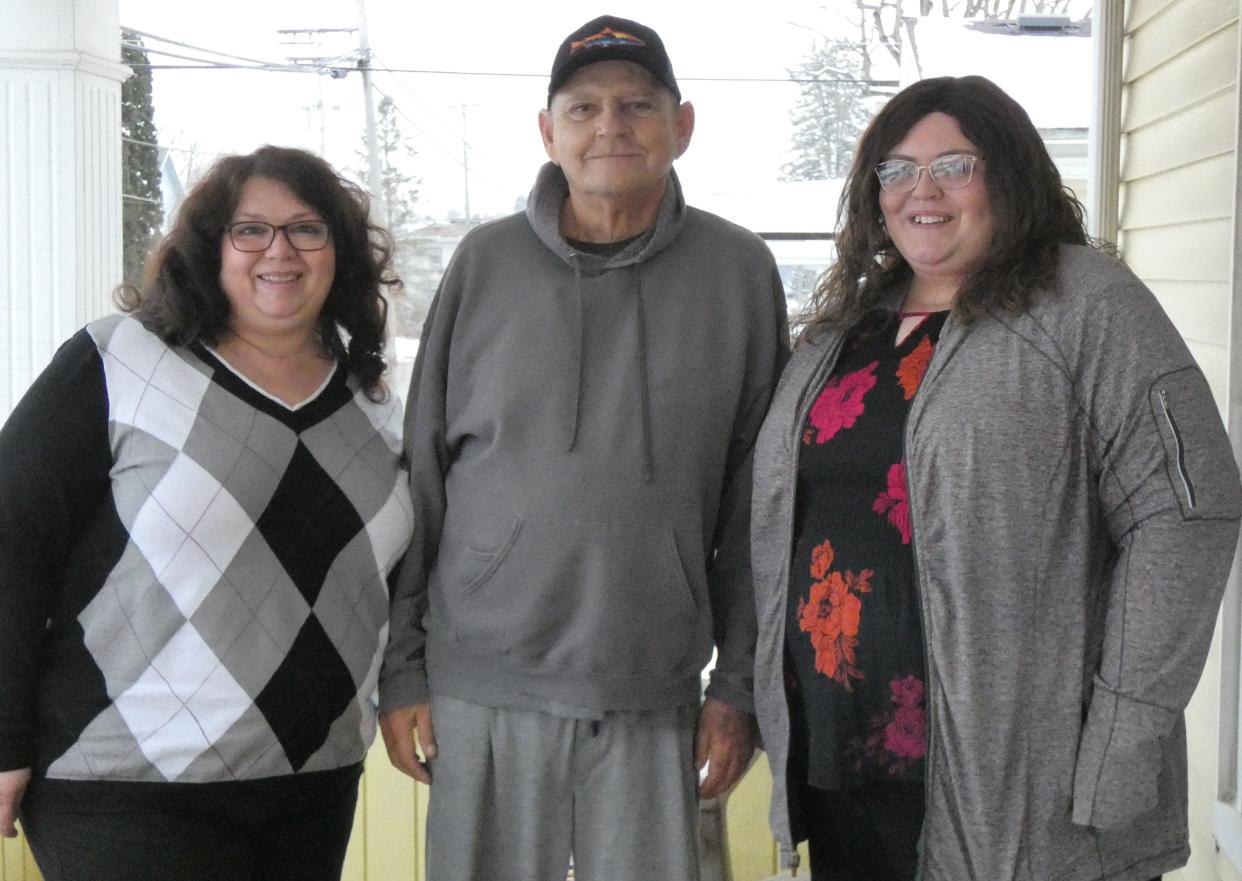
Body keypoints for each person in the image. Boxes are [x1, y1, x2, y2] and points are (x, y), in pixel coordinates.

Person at [750, 75, 1242, 881]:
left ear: (1010, 174)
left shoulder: (1084, 304)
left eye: (954, 165)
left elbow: (1188, 511)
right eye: (898, 170)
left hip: (1023, 779)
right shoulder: (847, 328)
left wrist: (1126, 726)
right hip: (844, 756)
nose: (923, 191)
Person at [377, 14, 788, 881]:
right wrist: (403, 670)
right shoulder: (483, 265)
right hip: (483, 683)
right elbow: (425, 478)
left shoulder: (739, 274)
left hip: (656, 686)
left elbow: (760, 501)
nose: (611, 126)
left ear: (682, 126)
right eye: (585, 106)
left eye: (638, 104)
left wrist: (739, 687)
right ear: (547, 131)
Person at [0, 145, 413, 881]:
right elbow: (11, 541)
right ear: (210, 247)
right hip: (126, 783)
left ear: (339, 252)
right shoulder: (119, 360)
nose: (278, 250)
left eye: (306, 229)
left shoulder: (375, 401)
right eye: (249, 229)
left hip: (311, 780)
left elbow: (409, 578)